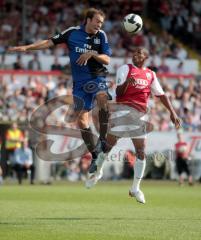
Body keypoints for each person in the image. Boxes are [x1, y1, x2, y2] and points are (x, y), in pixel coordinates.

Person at [9, 8, 112, 166]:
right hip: (79, 83)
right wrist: (27, 48)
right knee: (82, 121)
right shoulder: (72, 33)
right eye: (97, 21)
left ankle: (103, 139)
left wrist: (92, 54)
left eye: (101, 22)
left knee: (102, 97)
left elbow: (107, 59)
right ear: (88, 19)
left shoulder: (101, 35)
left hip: (97, 77)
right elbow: (49, 42)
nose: (99, 25)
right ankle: (95, 155)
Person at [86, 47, 181, 204]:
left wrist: (173, 113)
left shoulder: (151, 74)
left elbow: (161, 95)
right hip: (122, 111)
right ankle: (98, 172)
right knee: (108, 147)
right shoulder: (126, 68)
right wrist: (127, 84)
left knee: (141, 151)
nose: (136, 55)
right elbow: (119, 92)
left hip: (140, 115)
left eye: (139, 53)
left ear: (146, 57)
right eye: (134, 52)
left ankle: (135, 188)